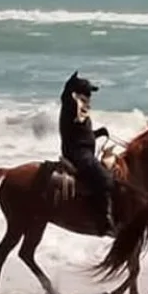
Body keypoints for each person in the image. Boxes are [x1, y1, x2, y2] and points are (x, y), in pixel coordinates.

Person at [58, 71, 115, 234]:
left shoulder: (81, 110)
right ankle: (104, 220)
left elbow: (81, 133)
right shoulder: (71, 105)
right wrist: (70, 84)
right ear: (78, 94)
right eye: (87, 92)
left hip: (83, 150)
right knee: (105, 179)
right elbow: (66, 96)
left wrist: (97, 133)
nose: (90, 96)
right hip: (78, 154)